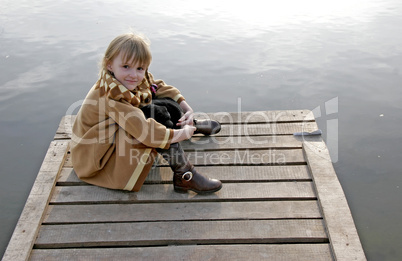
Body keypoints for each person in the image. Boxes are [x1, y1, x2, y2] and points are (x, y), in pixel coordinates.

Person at [70, 33, 222, 193]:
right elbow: (144, 130)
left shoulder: (121, 78)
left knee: (164, 102)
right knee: (153, 114)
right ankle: (184, 174)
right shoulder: (111, 95)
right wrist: (181, 136)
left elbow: (156, 86)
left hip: (109, 138)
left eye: (140, 68)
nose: (134, 75)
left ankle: (188, 125)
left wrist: (187, 109)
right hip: (96, 158)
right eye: (126, 66)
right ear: (109, 65)